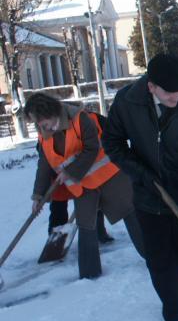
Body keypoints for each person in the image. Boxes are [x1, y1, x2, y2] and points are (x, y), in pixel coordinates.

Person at [102, 53, 178, 321]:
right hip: (146, 195)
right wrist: (141, 173)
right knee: (159, 261)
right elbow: (112, 143)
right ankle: (175, 315)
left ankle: (173, 293)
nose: (177, 97)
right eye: (170, 92)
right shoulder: (128, 102)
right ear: (152, 86)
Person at [25, 93, 144, 280]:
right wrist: (38, 195)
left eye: (41, 121)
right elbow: (44, 165)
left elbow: (92, 148)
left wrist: (70, 171)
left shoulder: (81, 119)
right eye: (37, 124)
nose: (41, 126)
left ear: (50, 112)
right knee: (85, 225)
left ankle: (154, 256)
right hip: (82, 186)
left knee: (131, 215)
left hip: (109, 177)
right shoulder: (44, 135)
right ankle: (89, 275)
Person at [49, 198, 114, 243]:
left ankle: (99, 232)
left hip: (83, 181)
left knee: (92, 198)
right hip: (60, 182)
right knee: (59, 202)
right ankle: (56, 241)